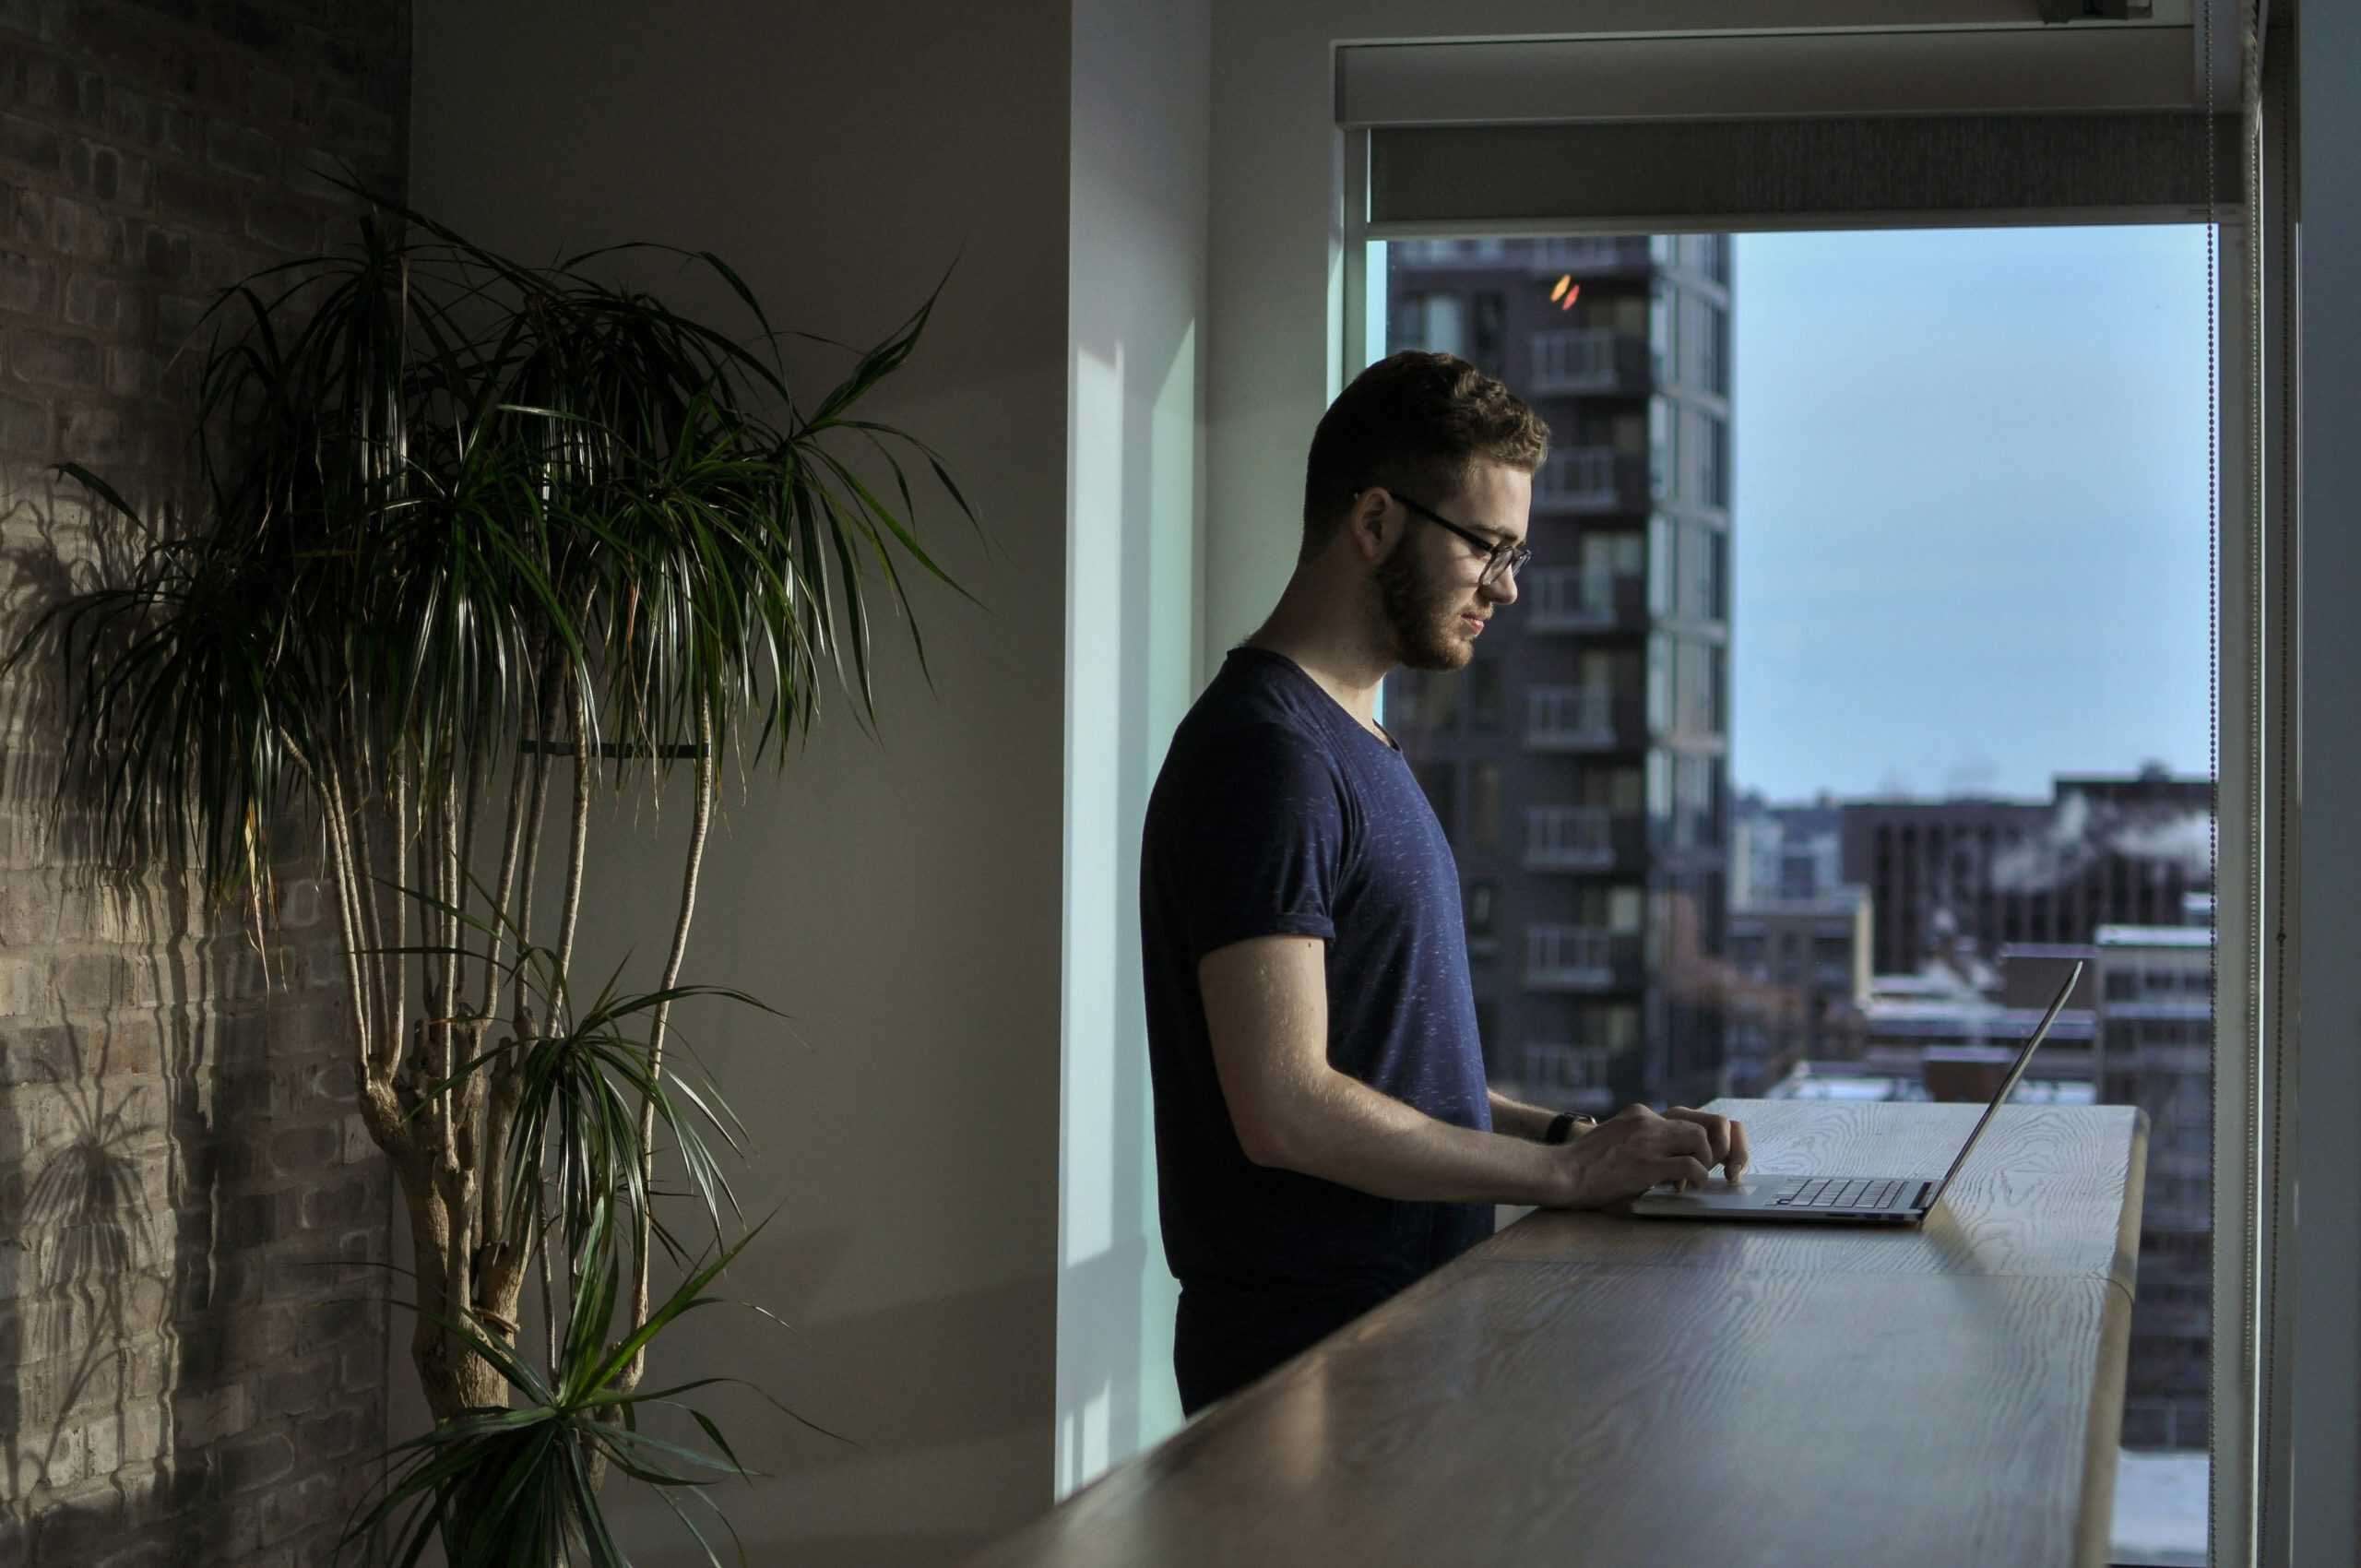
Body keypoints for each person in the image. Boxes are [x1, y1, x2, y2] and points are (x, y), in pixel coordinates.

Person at [1138, 350, 1750, 1418]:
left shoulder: (1350, 742)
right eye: (1488, 547)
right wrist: (1562, 1181)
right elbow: (1286, 1106)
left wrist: (1574, 1138)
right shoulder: (1267, 755)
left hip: (1388, 1346)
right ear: (1375, 521)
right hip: (1302, 1371)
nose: (1506, 587)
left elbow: (1383, 1071)